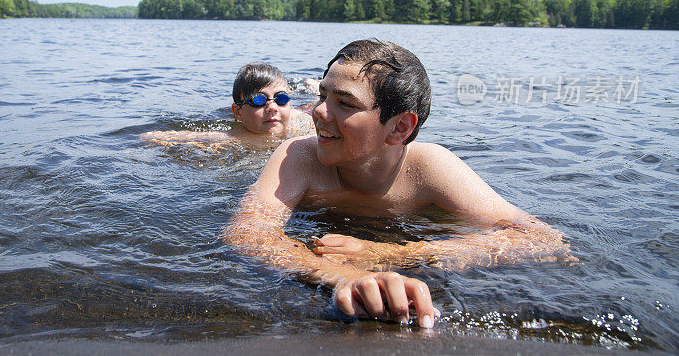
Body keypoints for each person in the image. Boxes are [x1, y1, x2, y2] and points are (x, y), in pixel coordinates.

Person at [224, 39, 574, 328]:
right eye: (323, 95)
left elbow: (541, 237)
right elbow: (248, 234)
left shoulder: (428, 167)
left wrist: (391, 255)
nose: (318, 112)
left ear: (400, 128)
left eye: (344, 103)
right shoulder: (299, 157)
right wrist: (341, 277)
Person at [141, 63, 315, 149]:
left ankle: (310, 85)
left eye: (281, 98)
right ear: (238, 113)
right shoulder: (235, 137)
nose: (273, 107)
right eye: (259, 101)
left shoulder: (301, 122)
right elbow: (179, 137)